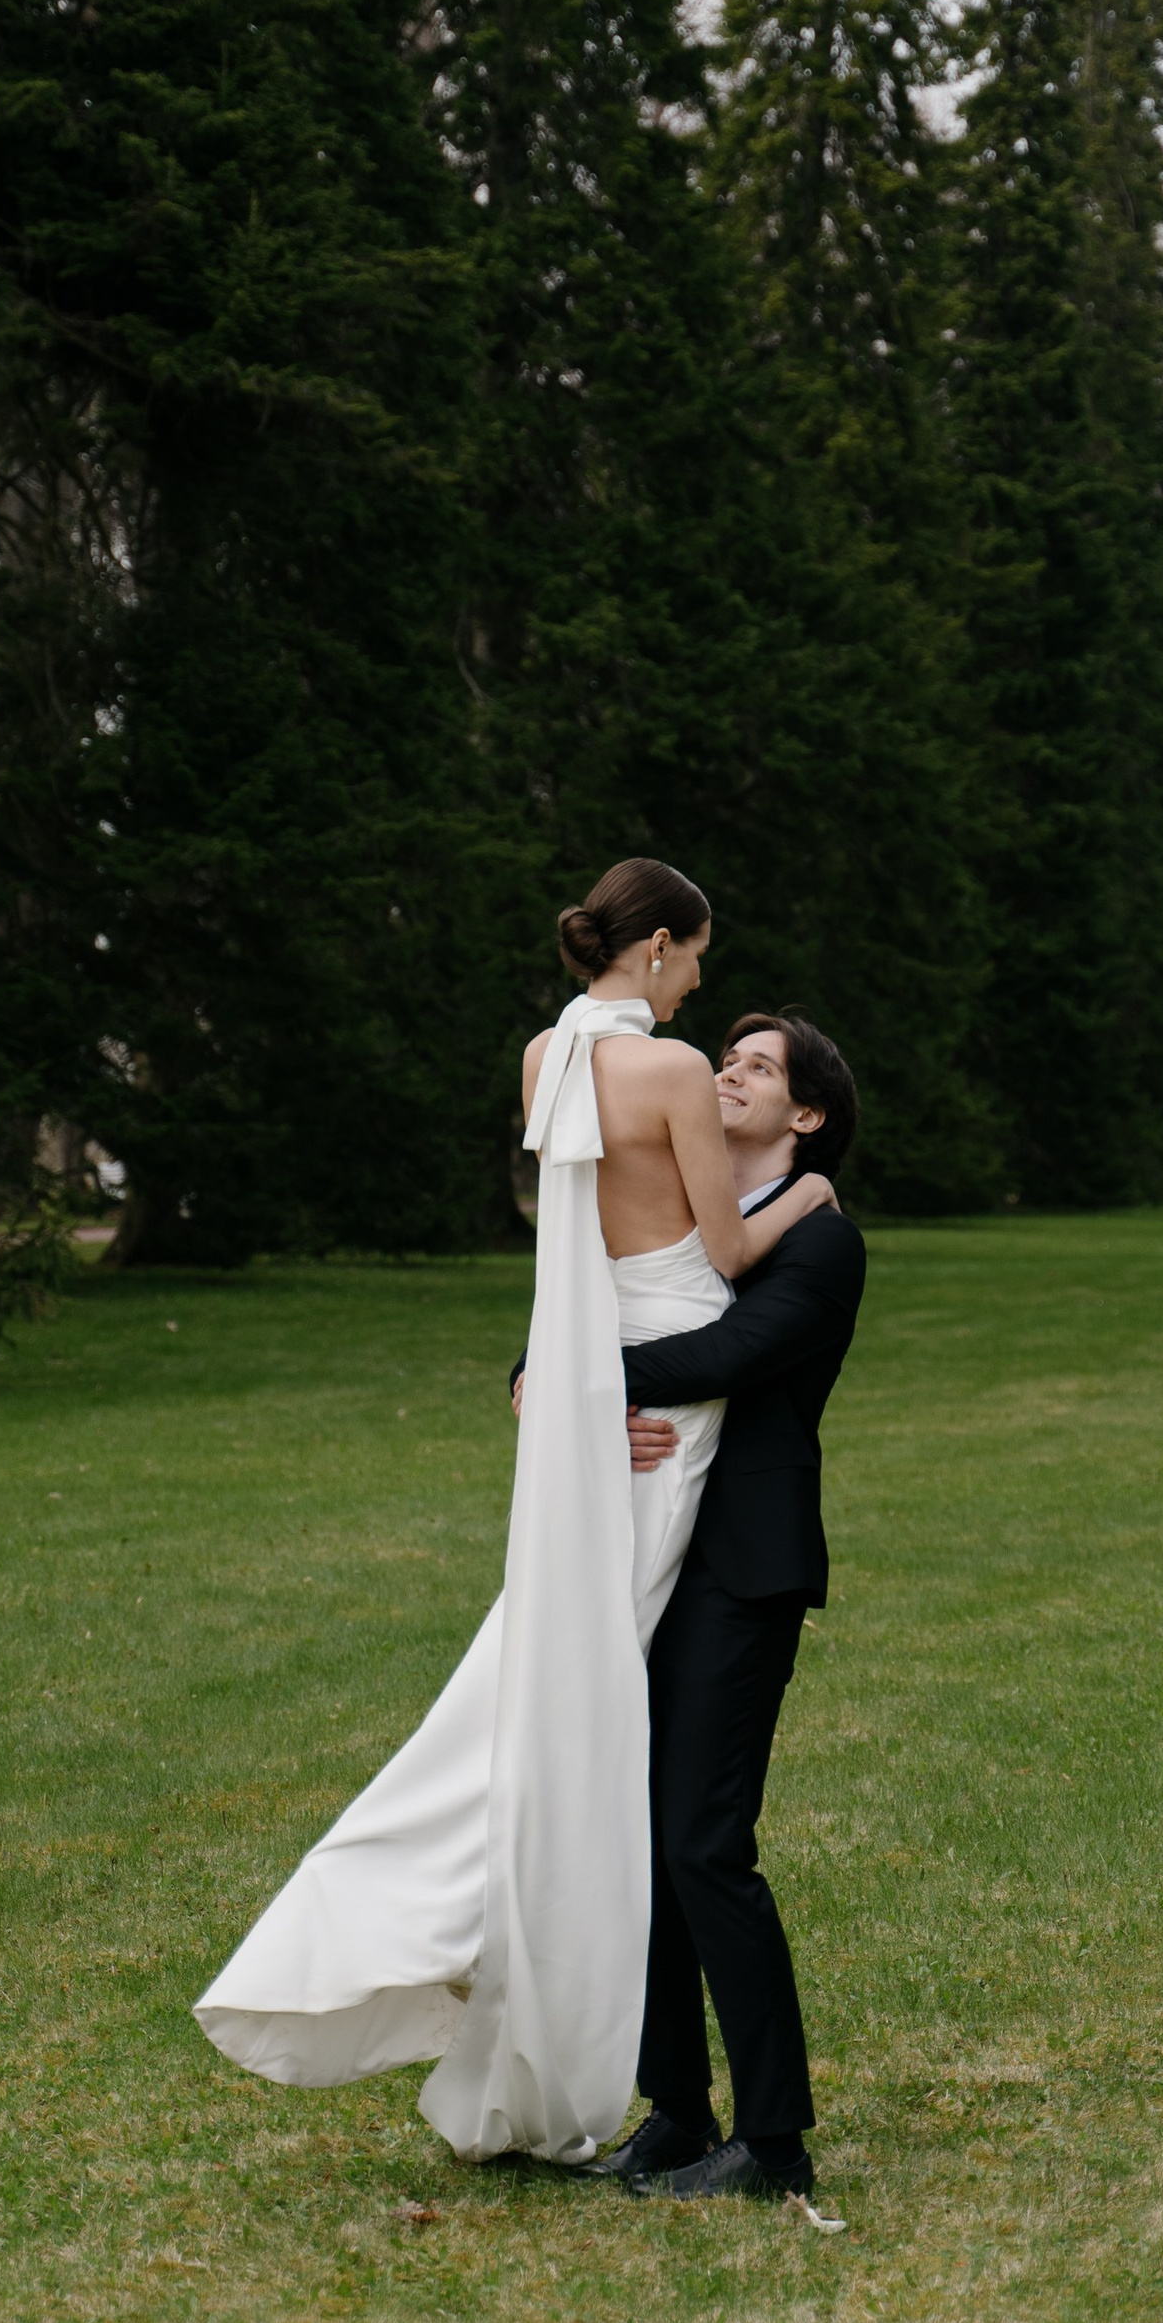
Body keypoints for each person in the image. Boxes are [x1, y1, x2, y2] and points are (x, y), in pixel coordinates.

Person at [192, 861, 832, 2162]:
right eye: (699, 956)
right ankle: (661, 2087)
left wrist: (566, 1375)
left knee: (567, 1703)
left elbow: (573, 1257)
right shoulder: (669, 1074)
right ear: (657, 947)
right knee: (586, 1726)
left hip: (609, 1384)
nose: (705, 991)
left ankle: (704, 2102)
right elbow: (716, 1261)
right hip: (651, 1405)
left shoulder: (547, 1057)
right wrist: (803, 1201)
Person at [586, 1011, 867, 2206]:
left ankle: (774, 2141)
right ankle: (675, 2113)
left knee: (705, 1845)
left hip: (741, 1571)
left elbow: (723, 1355)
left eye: (756, 1067)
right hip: (640, 1555)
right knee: (644, 1850)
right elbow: (622, 1317)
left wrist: (573, 1382)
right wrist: (532, 1378)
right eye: (727, 1062)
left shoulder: (821, 1242)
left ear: (805, 1117)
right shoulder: (700, 1227)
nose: (727, 1074)